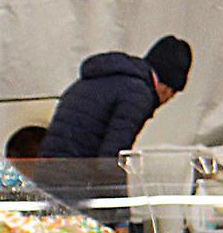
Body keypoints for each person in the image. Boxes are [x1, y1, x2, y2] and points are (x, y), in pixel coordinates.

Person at [40, 36, 191, 159]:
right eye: (171, 96)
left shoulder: (94, 78)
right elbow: (110, 160)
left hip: (47, 173)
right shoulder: (138, 95)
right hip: (74, 180)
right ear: (167, 88)